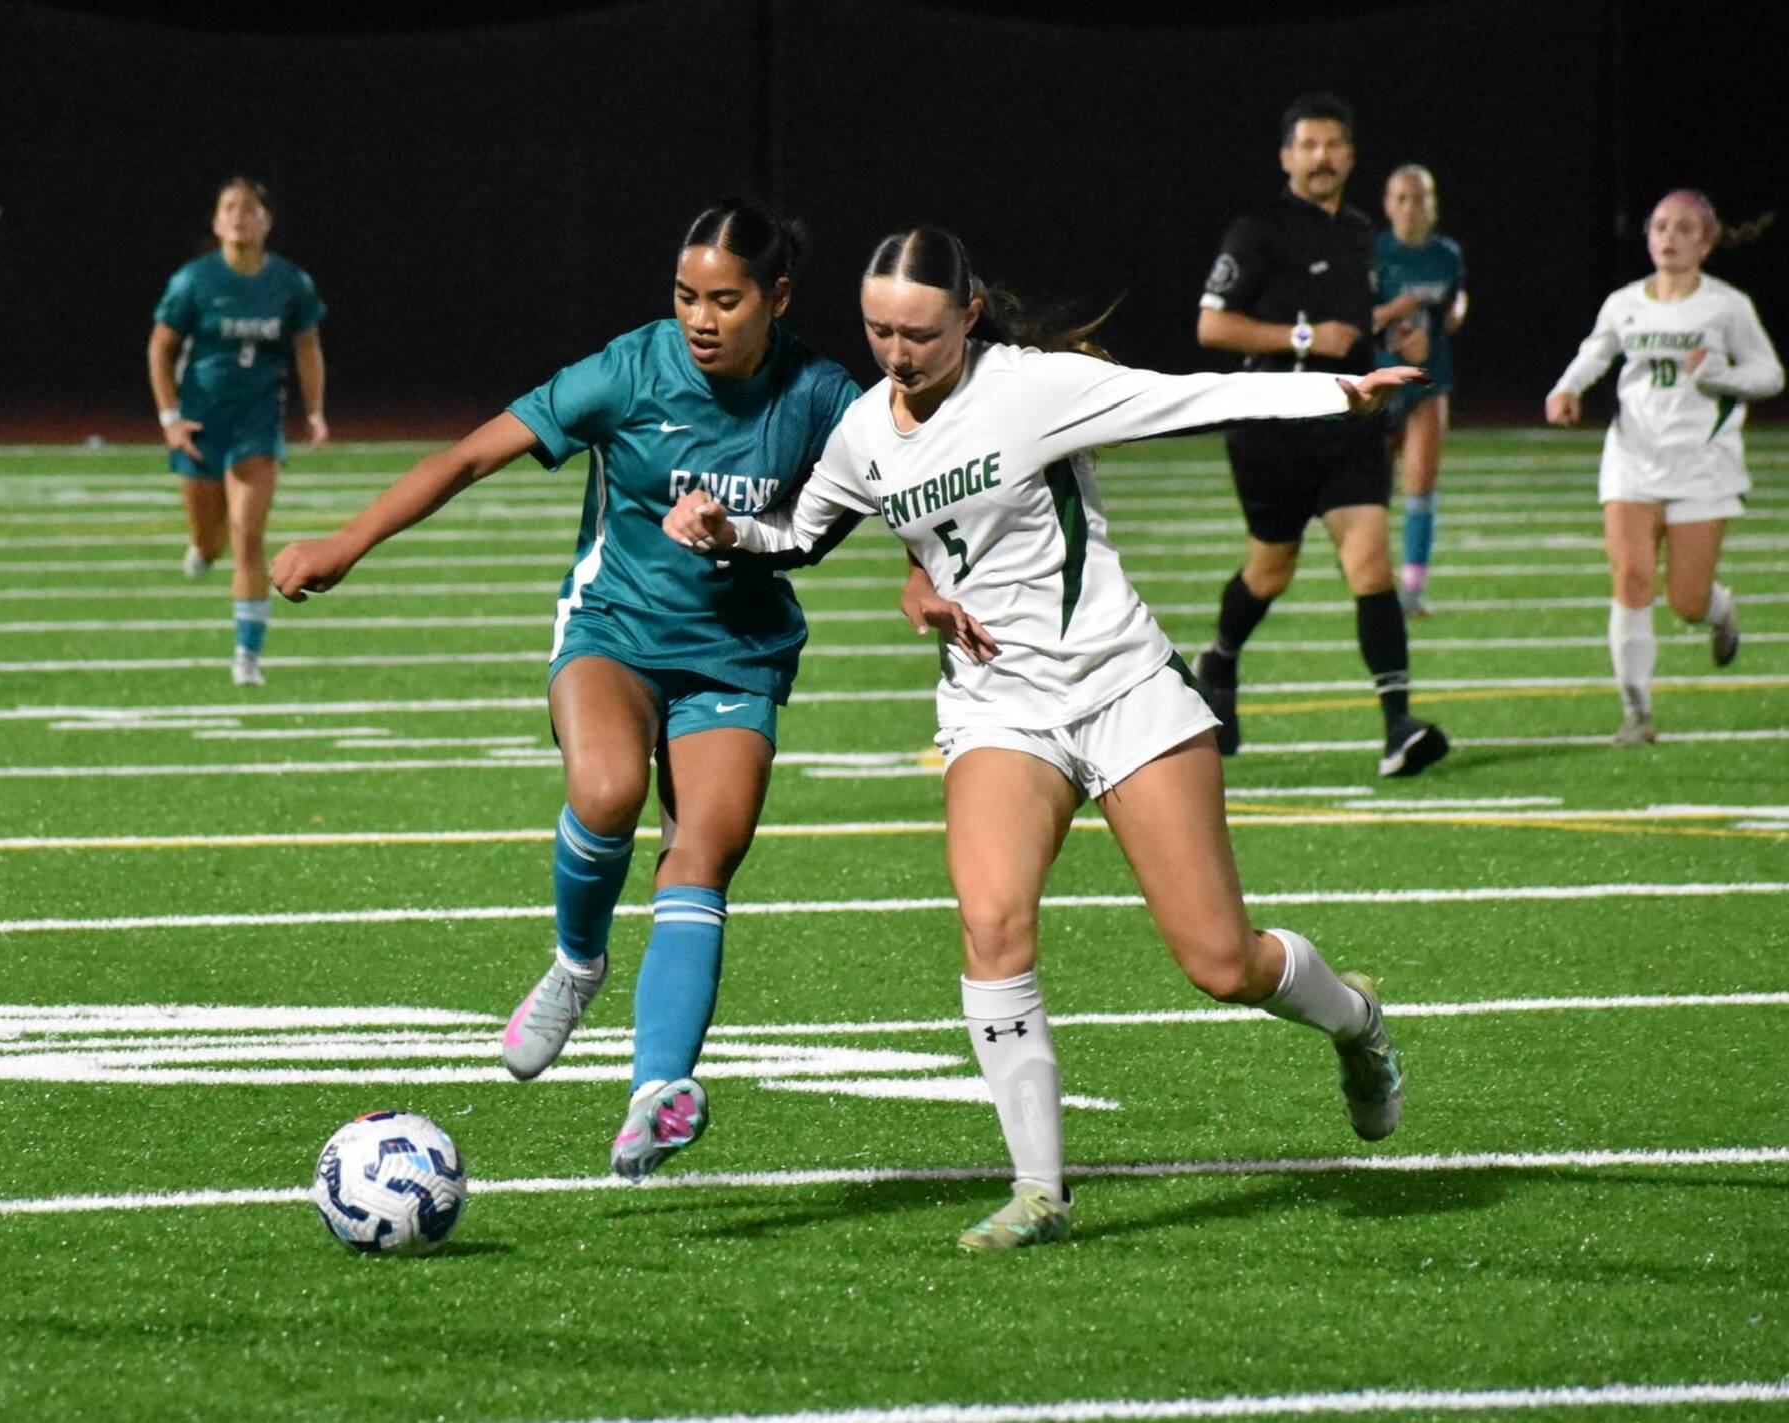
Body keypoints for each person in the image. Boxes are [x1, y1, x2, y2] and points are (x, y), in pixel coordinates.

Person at [663, 226, 1419, 1250]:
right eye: (878, 329)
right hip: (997, 707)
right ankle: (1039, 1191)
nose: (894, 351)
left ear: (966, 316)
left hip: (1118, 683)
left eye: (917, 333)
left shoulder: (1030, 388)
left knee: (1218, 962)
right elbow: (800, 534)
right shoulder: (860, 433)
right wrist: (727, 533)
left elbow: (1184, 395)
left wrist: (1332, 392)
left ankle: (1354, 1024)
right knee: (990, 923)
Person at [270, 197, 861, 1179]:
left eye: (724, 299)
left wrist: (931, 572)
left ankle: (653, 1094)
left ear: (778, 298)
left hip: (736, 653)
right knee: (604, 793)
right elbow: (470, 453)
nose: (699, 319)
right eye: (684, 296)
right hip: (613, 631)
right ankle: (577, 964)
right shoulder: (628, 370)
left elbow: (908, 479)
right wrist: (347, 541)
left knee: (699, 855)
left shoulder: (819, 395)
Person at [1192, 92, 1449, 777]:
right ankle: (1218, 659)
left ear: (1351, 156)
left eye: (1333, 145)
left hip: (1347, 419)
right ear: (1287, 157)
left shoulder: (1366, 232)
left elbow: (1361, 318)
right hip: (1271, 421)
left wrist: (1398, 332)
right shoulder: (1256, 230)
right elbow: (1211, 327)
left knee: (1370, 564)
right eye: (1308, 145)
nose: (1322, 157)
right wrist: (1303, 336)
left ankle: (1399, 725)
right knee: (1270, 572)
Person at [1545, 190, 1782, 745]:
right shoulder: (1625, 302)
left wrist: (1718, 377)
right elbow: (1596, 351)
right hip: (1632, 458)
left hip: (1702, 463)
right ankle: (1637, 712)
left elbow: (1769, 375)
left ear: (1706, 242)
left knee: (1686, 601)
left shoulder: (1727, 307)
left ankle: (1720, 610)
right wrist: (1566, 389)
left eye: (1682, 229)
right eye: (1659, 227)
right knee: (1630, 579)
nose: (1668, 238)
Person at [148, 177, 329, 687]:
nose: (238, 216)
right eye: (228, 207)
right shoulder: (194, 281)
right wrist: (170, 419)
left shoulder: (291, 283)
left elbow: (307, 347)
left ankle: (246, 655)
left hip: (258, 422)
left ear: (267, 221)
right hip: (203, 421)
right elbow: (160, 349)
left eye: (249, 209)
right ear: (215, 220)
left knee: (248, 535)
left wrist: (314, 412)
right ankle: (203, 551)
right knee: (210, 542)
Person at [1372, 165, 1467, 617]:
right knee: (1371, 488)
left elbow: (1456, 298)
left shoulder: (1447, 254)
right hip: (1379, 383)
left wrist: (1455, 313)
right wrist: (1394, 311)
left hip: (1429, 380)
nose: (1412, 207)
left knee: (1421, 487)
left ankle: (1412, 591)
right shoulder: (1375, 252)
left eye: (1421, 197)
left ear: (1434, 204)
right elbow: (1358, 321)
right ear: (1389, 204)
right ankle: (1372, 579)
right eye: (1403, 197)